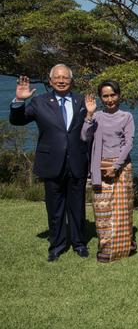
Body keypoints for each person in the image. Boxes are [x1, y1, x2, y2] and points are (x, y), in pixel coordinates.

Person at [10, 65, 89, 262]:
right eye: (57, 78)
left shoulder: (82, 101)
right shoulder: (39, 102)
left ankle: (79, 243)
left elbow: (88, 130)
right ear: (50, 80)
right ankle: (57, 245)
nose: (61, 81)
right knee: (55, 208)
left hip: (77, 162)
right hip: (51, 162)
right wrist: (20, 100)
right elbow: (17, 121)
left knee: (78, 206)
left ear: (71, 80)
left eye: (65, 78)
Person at [81, 81, 136, 262]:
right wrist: (88, 114)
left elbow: (129, 143)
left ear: (118, 95)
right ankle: (106, 247)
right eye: (105, 96)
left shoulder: (126, 116)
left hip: (121, 168)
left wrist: (116, 166)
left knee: (123, 208)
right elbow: (84, 136)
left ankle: (125, 245)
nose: (110, 99)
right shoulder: (96, 116)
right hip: (99, 167)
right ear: (101, 97)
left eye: (113, 95)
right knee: (102, 209)